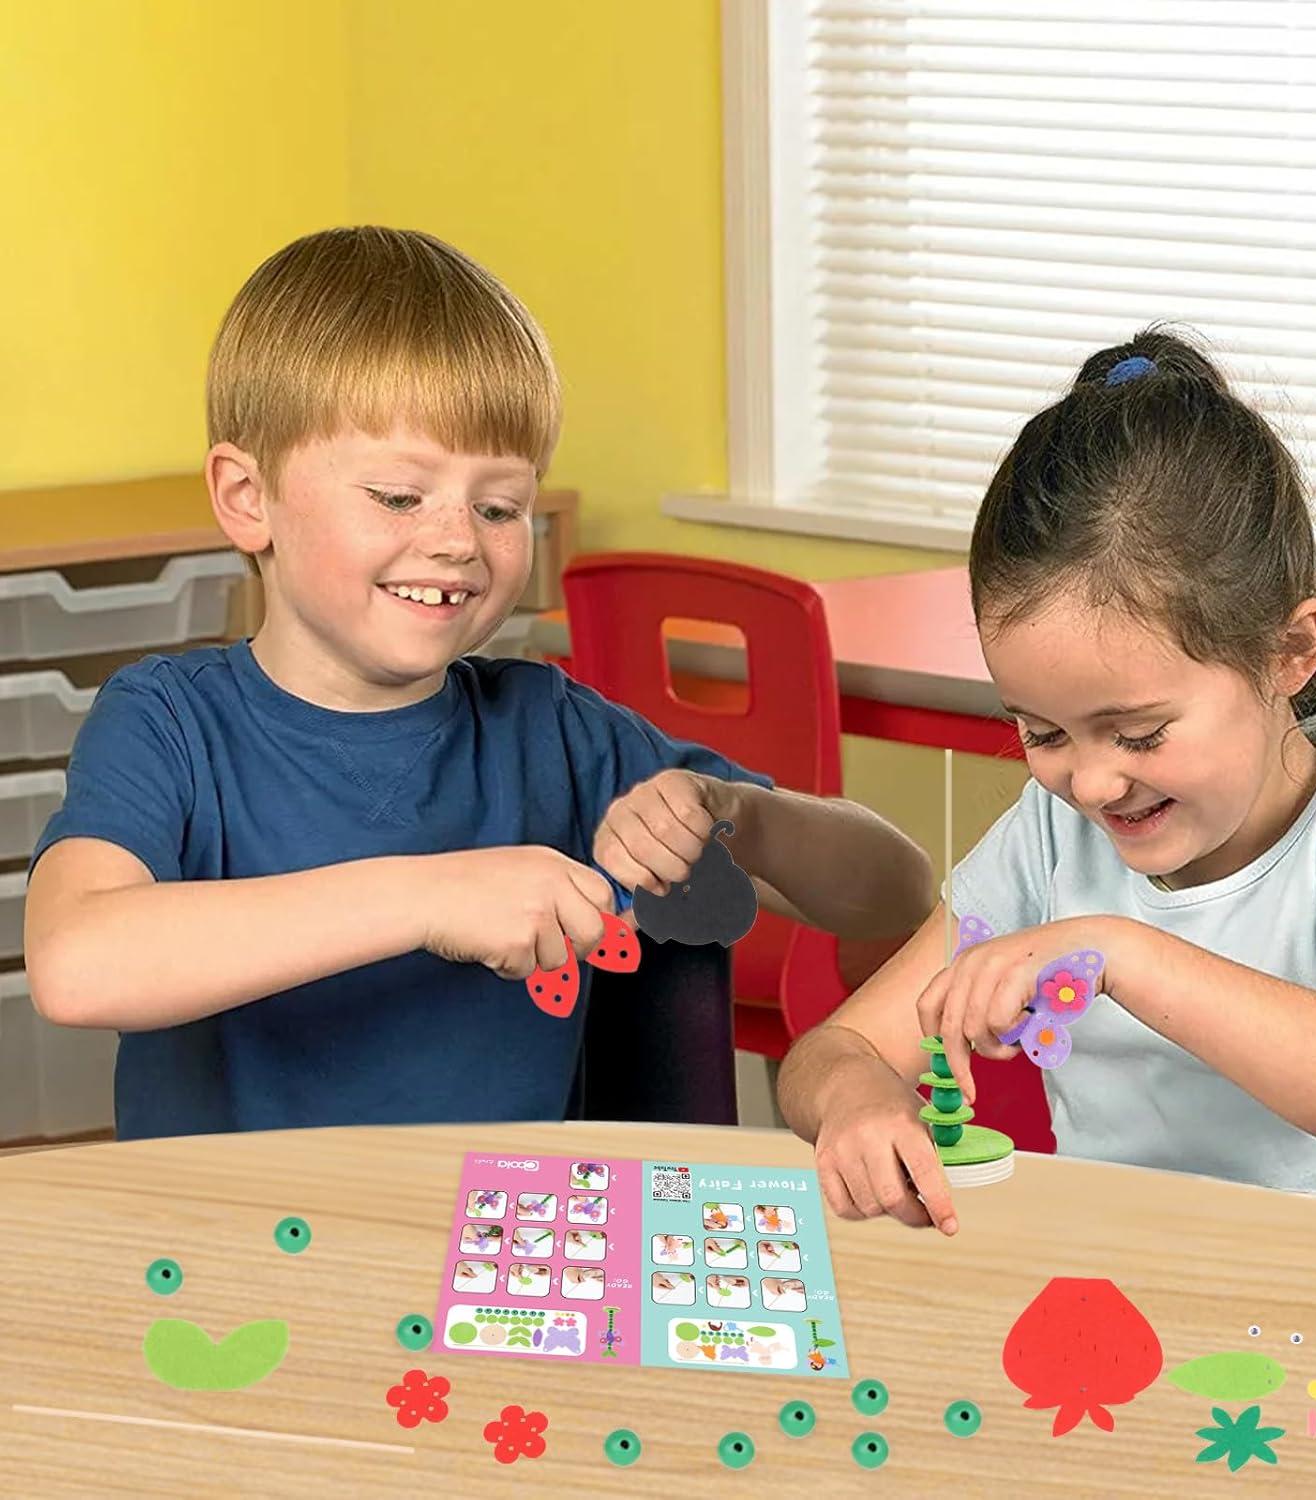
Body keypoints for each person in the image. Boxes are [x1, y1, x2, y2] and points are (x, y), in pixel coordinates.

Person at [23, 226, 932, 1140]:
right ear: (247, 498)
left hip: (505, 1250)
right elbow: (76, 964)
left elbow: (894, 891)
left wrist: (749, 816)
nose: (458, 540)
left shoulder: (558, 732)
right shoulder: (166, 723)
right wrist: (426, 898)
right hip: (235, 1249)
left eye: (498, 508)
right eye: (398, 496)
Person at [779, 328, 1316, 1231]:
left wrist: (1120, 950)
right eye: (1041, 732)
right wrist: (857, 1097)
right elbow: (831, 1049)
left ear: (1290, 652)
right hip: (1133, 1291)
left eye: (1139, 733)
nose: (1089, 785)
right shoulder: (1050, 839)